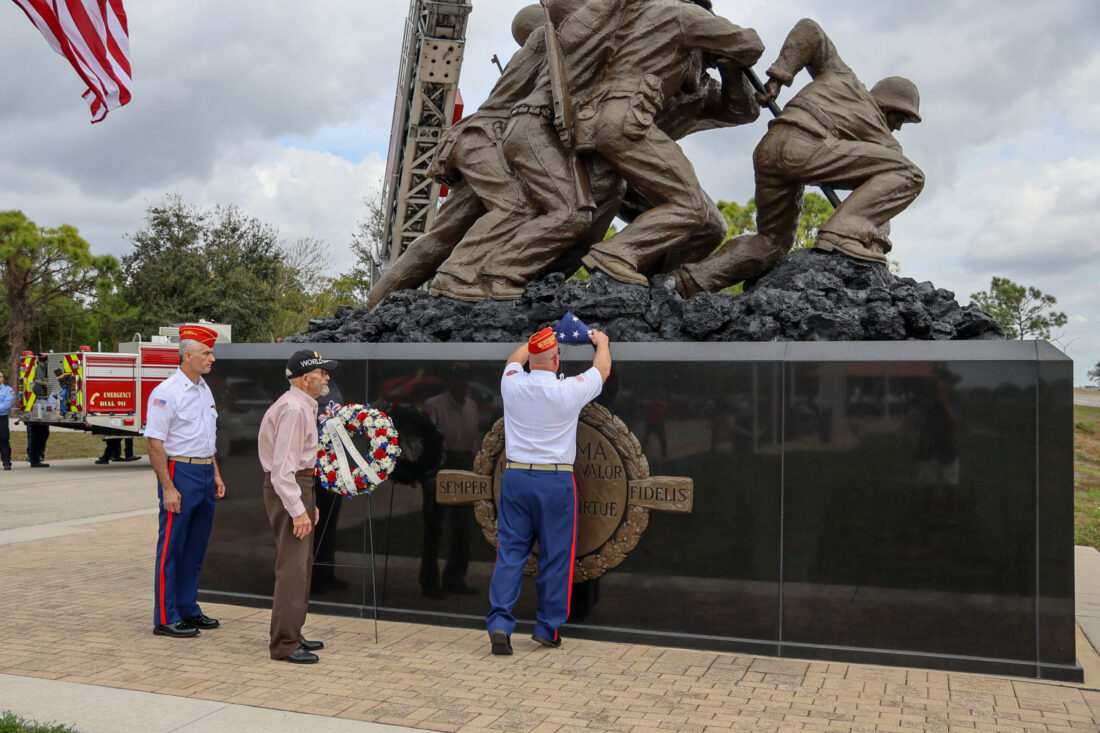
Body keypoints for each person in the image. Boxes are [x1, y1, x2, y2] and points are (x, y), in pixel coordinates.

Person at [671, 18, 925, 296]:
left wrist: (780, 77)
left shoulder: (840, 75)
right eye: (900, 118)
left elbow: (810, 31)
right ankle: (840, 236)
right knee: (910, 174)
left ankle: (685, 283)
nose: (898, 127)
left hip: (770, 150)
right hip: (802, 148)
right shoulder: (882, 137)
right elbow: (887, 193)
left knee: (771, 243)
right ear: (888, 105)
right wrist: (870, 239)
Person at [486, 326, 611, 655]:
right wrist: (602, 342)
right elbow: (602, 370)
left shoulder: (511, 383)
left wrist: (540, 338)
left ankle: (499, 622)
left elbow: (513, 360)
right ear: (557, 360)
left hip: (515, 478)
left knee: (511, 553)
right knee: (556, 556)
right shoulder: (568, 390)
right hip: (554, 482)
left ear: (532, 360)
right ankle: (548, 627)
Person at [257, 349, 338, 664]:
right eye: (322, 372)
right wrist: (297, 508)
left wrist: (306, 503)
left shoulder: (301, 405)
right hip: (290, 486)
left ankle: (292, 631)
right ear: (307, 378)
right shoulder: (293, 409)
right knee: (292, 569)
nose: (326, 377)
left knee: (301, 567)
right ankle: (285, 644)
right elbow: (282, 471)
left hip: (300, 486)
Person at [145, 324, 226, 638]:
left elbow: (207, 437)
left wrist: (216, 473)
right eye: (207, 353)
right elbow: (154, 443)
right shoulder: (167, 392)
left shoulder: (204, 388)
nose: (212, 358)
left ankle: (188, 609)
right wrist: (168, 487)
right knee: (172, 547)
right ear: (188, 356)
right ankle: (165, 617)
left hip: (204, 471)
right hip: (181, 472)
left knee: (195, 547)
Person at [421, 363, 480, 598]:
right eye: (458, 379)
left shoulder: (472, 405)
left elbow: (475, 438)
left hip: (464, 464)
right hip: (441, 465)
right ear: (450, 381)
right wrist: (431, 473)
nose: (461, 384)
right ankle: (429, 582)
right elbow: (428, 441)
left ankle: (455, 578)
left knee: (461, 528)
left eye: (465, 380)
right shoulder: (434, 404)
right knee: (433, 527)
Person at [0, 369, 13, 470]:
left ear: (2, 378)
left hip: (2, 419)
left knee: (4, 440)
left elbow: (7, 404)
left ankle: (6, 463)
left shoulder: (8, 390)